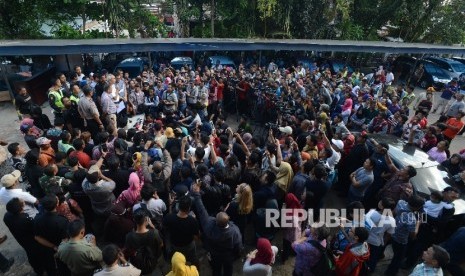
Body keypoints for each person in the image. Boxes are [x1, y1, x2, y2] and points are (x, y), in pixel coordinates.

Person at [191, 181, 243, 276]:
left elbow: (201, 210)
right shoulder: (235, 231)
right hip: (228, 256)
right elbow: (238, 246)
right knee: (228, 270)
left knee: (216, 270)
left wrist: (196, 194)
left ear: (216, 221)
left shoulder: (209, 226)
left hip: (215, 254)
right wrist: (235, 256)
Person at [385, 195, 425, 275]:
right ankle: (390, 273)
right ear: (416, 207)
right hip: (400, 239)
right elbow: (413, 234)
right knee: (398, 258)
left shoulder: (400, 202)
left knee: (385, 244)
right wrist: (418, 223)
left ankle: (379, 255)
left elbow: (395, 213)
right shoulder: (412, 219)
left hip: (391, 231)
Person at [3, 197, 43, 274]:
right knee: (36, 255)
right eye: (22, 203)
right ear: (20, 208)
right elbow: (34, 230)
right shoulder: (24, 219)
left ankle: (38, 269)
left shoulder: (7, 216)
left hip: (20, 238)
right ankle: (40, 270)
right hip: (31, 240)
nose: (24, 202)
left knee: (30, 253)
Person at [33, 194, 69, 276]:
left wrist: (53, 246)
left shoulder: (37, 219)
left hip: (48, 249)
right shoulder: (61, 221)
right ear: (57, 204)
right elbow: (65, 239)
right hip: (62, 248)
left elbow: (37, 237)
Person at [163, 195, 200, 267]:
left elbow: (168, 220)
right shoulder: (192, 221)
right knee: (193, 259)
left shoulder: (169, 218)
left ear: (179, 206)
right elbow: (197, 236)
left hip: (175, 245)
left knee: (178, 260)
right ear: (189, 208)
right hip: (188, 245)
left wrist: (170, 205)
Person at [124, 208, 163, 275]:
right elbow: (161, 245)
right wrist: (153, 227)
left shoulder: (129, 236)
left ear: (134, 220)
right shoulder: (154, 233)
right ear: (147, 220)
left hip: (137, 264)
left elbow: (128, 250)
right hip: (152, 261)